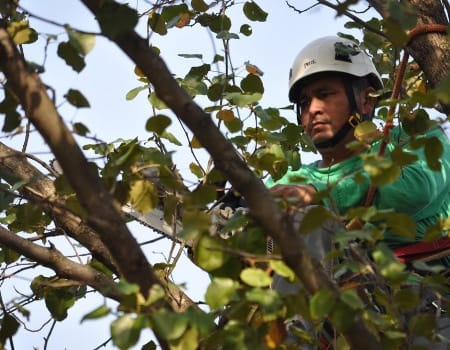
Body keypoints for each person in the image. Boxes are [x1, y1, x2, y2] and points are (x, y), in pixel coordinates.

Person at [265, 35, 450, 348]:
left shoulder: (411, 137)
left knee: (313, 217)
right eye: (304, 102)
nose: (313, 109)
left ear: (365, 100)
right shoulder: (299, 177)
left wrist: (320, 195)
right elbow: (260, 212)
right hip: (348, 318)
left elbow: (412, 190)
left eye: (324, 94)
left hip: (430, 311)